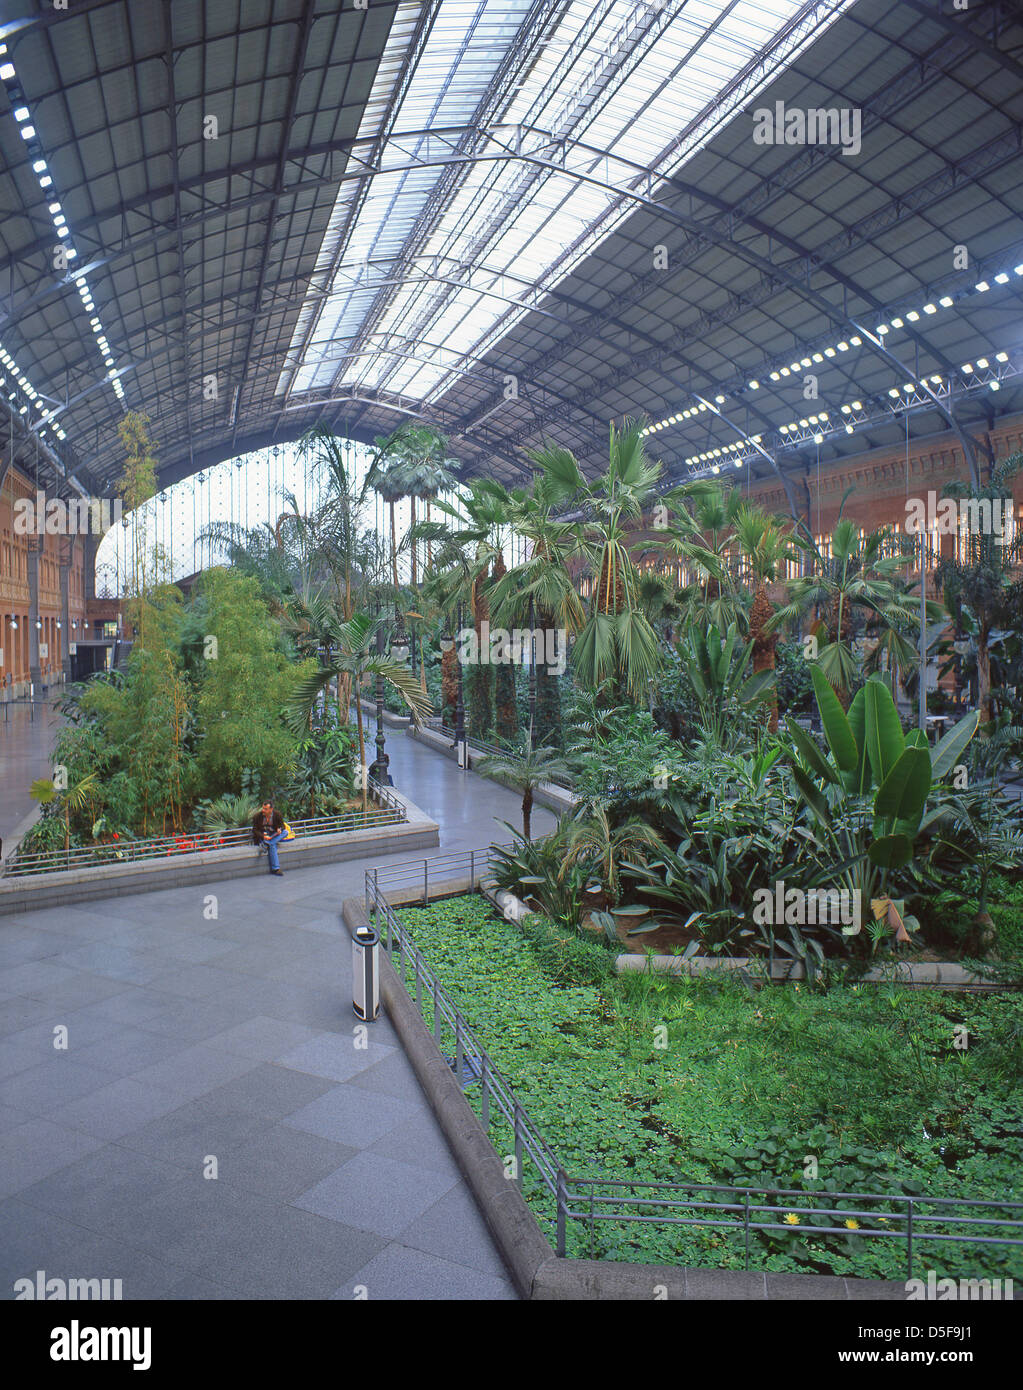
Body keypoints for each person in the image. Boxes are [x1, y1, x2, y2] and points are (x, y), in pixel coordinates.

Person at [252, 800, 285, 875]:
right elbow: (254, 830)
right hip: (264, 835)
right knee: (273, 845)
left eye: (265, 809)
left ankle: (267, 843)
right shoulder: (257, 816)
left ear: (271, 809)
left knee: (285, 832)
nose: (263, 810)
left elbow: (283, 826)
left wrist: (279, 829)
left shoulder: (277, 814)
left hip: (273, 835)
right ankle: (276, 869)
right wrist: (263, 836)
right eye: (263, 808)